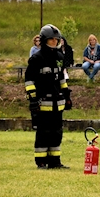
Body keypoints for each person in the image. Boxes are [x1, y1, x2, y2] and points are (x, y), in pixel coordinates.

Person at [25, 24, 72, 169]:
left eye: (56, 40)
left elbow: (62, 79)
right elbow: (29, 80)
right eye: (51, 39)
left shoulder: (59, 56)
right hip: (42, 102)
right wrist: (33, 99)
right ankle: (41, 161)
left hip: (58, 102)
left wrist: (67, 96)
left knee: (57, 132)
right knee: (43, 132)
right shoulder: (36, 58)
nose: (54, 42)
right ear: (45, 40)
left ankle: (55, 161)